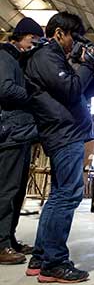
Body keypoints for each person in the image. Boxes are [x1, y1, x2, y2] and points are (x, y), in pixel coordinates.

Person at [24, 12, 94, 283]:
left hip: (65, 131)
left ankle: (41, 257)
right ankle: (54, 263)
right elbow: (72, 90)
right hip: (64, 134)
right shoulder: (46, 56)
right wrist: (87, 64)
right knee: (68, 195)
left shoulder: (53, 58)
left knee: (59, 196)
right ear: (59, 32)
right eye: (73, 36)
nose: (75, 44)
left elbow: (76, 93)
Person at [0, 17, 44, 265]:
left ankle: (10, 238)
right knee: (6, 190)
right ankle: (1, 244)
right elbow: (5, 90)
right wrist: (32, 94)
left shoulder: (18, 60)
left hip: (22, 133)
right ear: (20, 36)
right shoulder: (5, 57)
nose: (33, 45)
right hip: (10, 134)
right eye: (31, 39)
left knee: (17, 191)